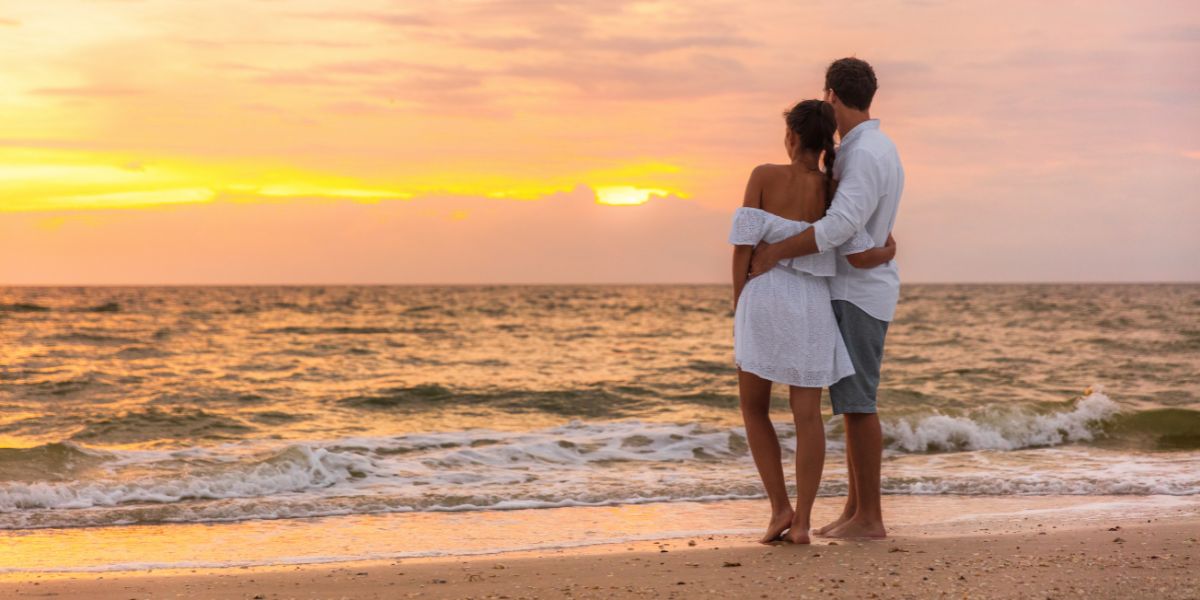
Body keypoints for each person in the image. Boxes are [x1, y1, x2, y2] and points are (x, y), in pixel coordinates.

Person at [748, 57, 904, 540]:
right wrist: (881, 250)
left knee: (858, 405)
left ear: (832, 96)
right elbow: (863, 226)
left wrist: (775, 252)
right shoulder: (874, 147)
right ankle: (855, 510)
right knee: (851, 404)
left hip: (856, 295)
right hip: (857, 288)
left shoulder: (863, 153)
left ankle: (870, 517)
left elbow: (839, 227)